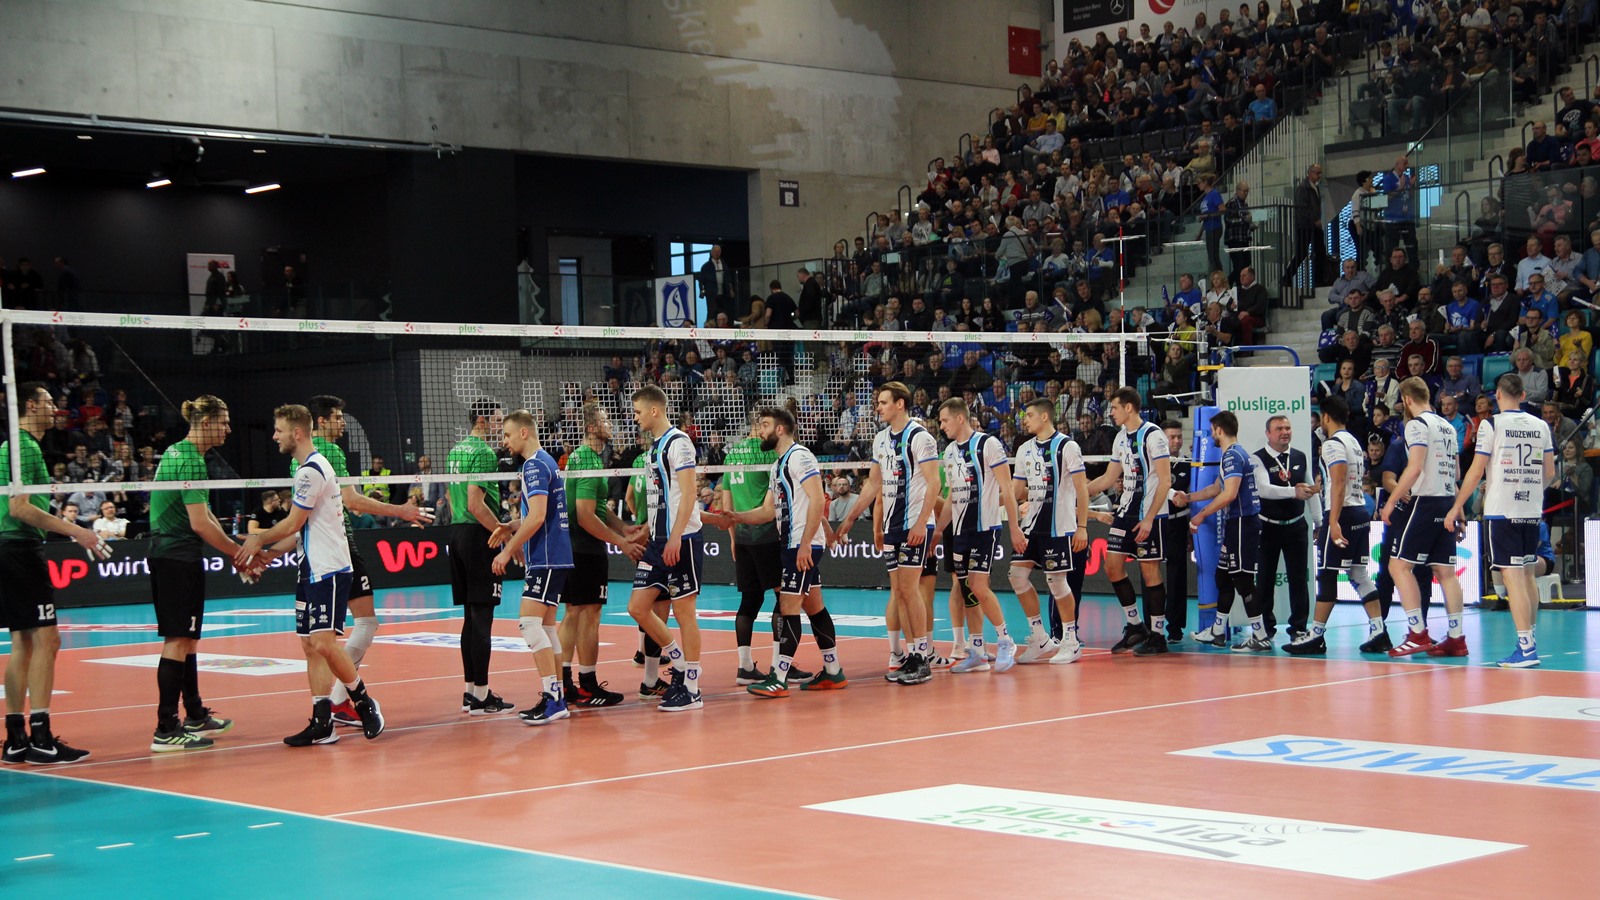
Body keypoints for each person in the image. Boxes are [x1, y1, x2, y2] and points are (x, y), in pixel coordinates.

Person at [237, 405, 384, 746]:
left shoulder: (312, 470)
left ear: (297, 433)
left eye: (279, 430)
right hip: (310, 566)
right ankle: (322, 722)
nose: (275, 436)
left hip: (328, 568)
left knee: (323, 642)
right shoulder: (306, 469)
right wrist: (270, 554)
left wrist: (259, 539)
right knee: (310, 646)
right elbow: (301, 530)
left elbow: (292, 523)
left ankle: (364, 704)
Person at [301, 396, 432, 726]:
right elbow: (352, 501)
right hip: (338, 546)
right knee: (356, 627)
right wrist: (400, 510)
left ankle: (331, 705)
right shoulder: (329, 452)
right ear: (321, 422)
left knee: (318, 639)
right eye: (337, 417)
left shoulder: (300, 456)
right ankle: (342, 700)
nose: (343, 422)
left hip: (312, 549)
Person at [708, 406, 848, 695]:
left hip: (801, 544)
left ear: (780, 429)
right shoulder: (777, 465)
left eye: (765, 425)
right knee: (814, 607)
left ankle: (779, 677)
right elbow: (766, 511)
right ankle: (833, 671)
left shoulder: (800, 457)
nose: (760, 430)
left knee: (788, 607)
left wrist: (806, 543)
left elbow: (817, 499)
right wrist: (736, 517)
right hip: (790, 543)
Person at [1, 382, 105, 766]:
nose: (56, 409)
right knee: (48, 640)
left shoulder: (15, 446)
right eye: (48, 402)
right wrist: (77, 531)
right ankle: (42, 737)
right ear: (30, 405)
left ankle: (16, 739)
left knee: (23, 644)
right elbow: (20, 508)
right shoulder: (24, 447)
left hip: (9, 548)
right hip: (19, 548)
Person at [146, 395, 242, 751]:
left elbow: (207, 515)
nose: (228, 429)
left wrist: (233, 547)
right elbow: (200, 524)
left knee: (187, 638)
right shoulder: (190, 461)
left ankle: (196, 713)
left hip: (174, 553)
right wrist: (237, 554)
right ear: (206, 423)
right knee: (177, 640)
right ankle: (166, 728)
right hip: (176, 555)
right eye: (223, 422)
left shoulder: (179, 452)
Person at [834, 382, 942, 685]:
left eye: (883, 402)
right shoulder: (881, 439)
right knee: (900, 592)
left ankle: (922, 657)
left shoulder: (920, 437)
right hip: (892, 525)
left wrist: (922, 523)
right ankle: (912, 655)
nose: (878, 407)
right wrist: (851, 518)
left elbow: (934, 483)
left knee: (909, 590)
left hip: (914, 523)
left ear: (900, 404)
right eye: (878, 402)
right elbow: (874, 484)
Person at [1445, 375, 1554, 668]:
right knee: (1527, 574)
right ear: (1523, 394)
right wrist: (1532, 492)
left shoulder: (1491, 424)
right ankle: (1529, 641)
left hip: (1502, 510)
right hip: (1531, 509)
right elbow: (1550, 473)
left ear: (1498, 395)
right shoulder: (1541, 425)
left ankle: (1526, 648)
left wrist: (1457, 506)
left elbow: (1475, 471)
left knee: (1512, 576)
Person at [488, 410, 574, 725]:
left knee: (529, 624)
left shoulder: (534, 465)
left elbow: (538, 517)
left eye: (507, 435)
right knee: (547, 627)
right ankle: (557, 697)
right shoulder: (545, 461)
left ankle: (554, 698)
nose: (505, 441)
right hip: (553, 555)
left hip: (546, 556)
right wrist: (512, 526)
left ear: (524, 432)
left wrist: (508, 551)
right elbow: (539, 513)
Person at [625, 385, 707, 711]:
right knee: (637, 608)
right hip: (657, 541)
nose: (636, 418)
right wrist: (647, 528)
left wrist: (675, 536)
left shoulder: (679, 442)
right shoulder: (652, 449)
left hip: (681, 540)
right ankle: (680, 663)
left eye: (638, 412)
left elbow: (688, 494)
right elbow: (661, 499)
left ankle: (692, 689)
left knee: (685, 613)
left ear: (654, 410)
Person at [1286, 397, 1387, 654]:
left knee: (1327, 574)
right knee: (1359, 574)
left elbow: (1340, 481)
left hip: (1342, 514)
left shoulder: (1332, 444)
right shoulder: (1353, 441)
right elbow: (1343, 479)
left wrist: (1332, 521)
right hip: (1359, 512)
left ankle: (1316, 636)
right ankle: (1379, 631)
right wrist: (1318, 488)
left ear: (1326, 417)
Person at [935, 399, 1028, 674]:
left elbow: (1008, 489)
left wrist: (1014, 527)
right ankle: (977, 651)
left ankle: (1005, 640)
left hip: (985, 528)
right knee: (967, 589)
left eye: (944, 421)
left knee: (978, 586)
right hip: (960, 531)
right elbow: (952, 496)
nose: (942, 426)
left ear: (960, 418)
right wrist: (939, 530)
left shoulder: (988, 444)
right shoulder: (949, 452)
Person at [560, 403, 642, 707]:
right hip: (585, 548)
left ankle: (564, 683)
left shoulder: (581, 457)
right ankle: (588, 685)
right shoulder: (588, 460)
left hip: (571, 546)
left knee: (573, 612)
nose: (611, 425)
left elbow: (595, 507)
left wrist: (623, 527)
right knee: (589, 614)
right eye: (606, 421)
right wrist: (620, 542)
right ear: (592, 428)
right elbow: (584, 515)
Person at [1381, 377, 1467, 658]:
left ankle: (1417, 633)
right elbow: (1456, 474)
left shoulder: (1416, 424)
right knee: (1445, 572)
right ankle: (1456, 638)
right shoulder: (1447, 426)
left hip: (1425, 502)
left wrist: (1391, 502)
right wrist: (1459, 510)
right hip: (1446, 501)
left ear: (1407, 400)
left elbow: (1415, 468)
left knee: (1398, 567)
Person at [1084, 386, 1173, 655]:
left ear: (1129, 407)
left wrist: (1149, 519)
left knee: (1150, 572)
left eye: (1114, 408)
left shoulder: (1153, 435)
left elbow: (1165, 481)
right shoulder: (1120, 438)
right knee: (1113, 568)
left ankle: (1158, 635)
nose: (1111, 413)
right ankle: (1135, 626)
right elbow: (1109, 478)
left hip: (1149, 514)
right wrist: (1077, 492)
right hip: (1125, 512)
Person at [1183, 411, 1272, 652]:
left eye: (1212, 430)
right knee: (1223, 577)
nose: (1211, 435)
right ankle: (1218, 631)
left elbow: (1229, 494)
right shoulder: (1233, 454)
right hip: (1236, 524)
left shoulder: (1233, 455)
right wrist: (1189, 497)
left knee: (1243, 580)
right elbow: (1217, 488)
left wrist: (1201, 515)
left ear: (1219, 430)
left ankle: (1260, 636)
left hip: (1243, 523)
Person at [447, 399, 515, 715]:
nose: (502, 426)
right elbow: (476, 504)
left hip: (456, 533)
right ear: (483, 421)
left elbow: (453, 499)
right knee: (482, 617)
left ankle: (470, 691)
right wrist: (506, 533)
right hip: (478, 536)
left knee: (470, 618)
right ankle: (482, 696)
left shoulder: (456, 451)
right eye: (498, 420)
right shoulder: (485, 453)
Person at [1010, 399, 1090, 665]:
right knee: (1016, 576)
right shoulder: (1024, 449)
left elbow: (1081, 489)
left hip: (1059, 527)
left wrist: (1082, 527)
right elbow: (1016, 490)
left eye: (1030, 415)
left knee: (1056, 582)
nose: (1025, 419)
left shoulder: (1067, 446)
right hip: (1031, 526)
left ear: (1045, 417)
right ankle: (1040, 638)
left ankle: (1070, 641)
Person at [717, 413, 784, 686]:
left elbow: (726, 504)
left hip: (743, 538)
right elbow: (774, 499)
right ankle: (780, 665)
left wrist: (733, 539)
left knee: (749, 602)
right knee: (784, 598)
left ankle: (744, 667)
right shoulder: (768, 453)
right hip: (766, 535)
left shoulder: (732, 454)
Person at [1251, 414, 1317, 641]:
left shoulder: (1299, 456)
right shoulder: (1258, 458)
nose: (1284, 432)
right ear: (1268, 433)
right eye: (1279, 429)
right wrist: (1293, 492)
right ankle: (1265, 630)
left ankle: (1299, 628)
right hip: (1267, 527)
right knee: (1265, 579)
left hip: (1296, 526)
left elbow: (1310, 489)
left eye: (1287, 428)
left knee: (1299, 579)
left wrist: (1319, 521)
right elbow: (1263, 489)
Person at [1159, 419, 1192, 643]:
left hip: (1178, 525)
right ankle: (1151, 626)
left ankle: (1175, 627)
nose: (1177, 441)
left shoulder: (1188, 463)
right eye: (1172, 437)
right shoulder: (1154, 462)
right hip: (1157, 523)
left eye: (1179, 436)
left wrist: (1190, 529)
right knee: (1151, 575)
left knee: (1177, 576)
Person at [1283, 163, 1328, 286]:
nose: (1319, 175)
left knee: (1320, 252)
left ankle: (1319, 280)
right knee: (1302, 253)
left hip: (1313, 226)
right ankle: (1287, 277)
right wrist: (1314, 220)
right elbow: (1302, 208)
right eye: (1317, 173)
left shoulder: (1314, 188)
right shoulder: (1303, 188)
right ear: (1310, 173)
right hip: (1305, 226)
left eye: (1320, 173)